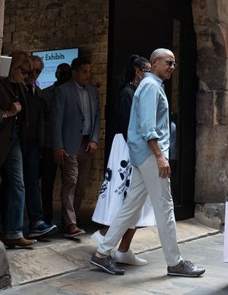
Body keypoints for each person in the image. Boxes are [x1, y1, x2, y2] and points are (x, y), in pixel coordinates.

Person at [90, 48, 205, 278]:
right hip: (151, 156)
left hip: (144, 156)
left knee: (131, 206)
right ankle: (175, 262)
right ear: (154, 63)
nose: (172, 67)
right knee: (165, 207)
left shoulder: (150, 85)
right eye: (168, 63)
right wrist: (160, 156)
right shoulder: (152, 86)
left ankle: (101, 254)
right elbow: (147, 127)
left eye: (174, 64)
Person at [91, 54, 154, 266]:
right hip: (128, 148)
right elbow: (130, 128)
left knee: (135, 199)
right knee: (124, 196)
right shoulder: (127, 93)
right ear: (138, 71)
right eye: (147, 70)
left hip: (133, 146)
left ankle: (122, 247)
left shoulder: (137, 92)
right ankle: (105, 234)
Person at [50, 57, 100, 238]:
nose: (88, 75)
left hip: (87, 144)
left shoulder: (93, 92)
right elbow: (56, 120)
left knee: (81, 185)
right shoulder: (63, 92)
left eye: (90, 71)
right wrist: (58, 146)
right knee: (70, 181)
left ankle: (73, 219)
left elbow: (96, 118)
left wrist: (94, 139)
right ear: (75, 73)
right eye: (85, 71)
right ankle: (70, 223)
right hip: (69, 144)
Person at [0, 51, 37, 248]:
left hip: (16, 141)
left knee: (17, 185)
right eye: (25, 71)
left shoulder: (21, 87)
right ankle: (2, 231)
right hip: (0, 140)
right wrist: (7, 113)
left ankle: (14, 232)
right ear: (14, 68)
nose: (27, 75)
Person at [21, 55, 56, 238]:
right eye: (31, 70)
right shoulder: (18, 90)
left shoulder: (40, 94)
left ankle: (36, 221)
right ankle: (14, 226)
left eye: (38, 71)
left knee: (32, 183)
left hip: (34, 144)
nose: (34, 74)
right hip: (17, 143)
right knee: (16, 185)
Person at [41, 63, 72, 225]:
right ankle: (46, 216)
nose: (64, 76)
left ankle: (68, 220)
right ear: (56, 74)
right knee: (47, 182)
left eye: (67, 73)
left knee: (70, 182)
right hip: (49, 144)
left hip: (69, 145)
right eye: (61, 73)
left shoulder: (73, 94)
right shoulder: (46, 94)